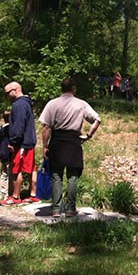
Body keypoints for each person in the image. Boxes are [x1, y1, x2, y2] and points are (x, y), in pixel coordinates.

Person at [39, 78, 101, 218]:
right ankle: (71, 209)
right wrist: (88, 135)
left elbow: (46, 127)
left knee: (56, 176)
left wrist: (44, 146)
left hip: (57, 141)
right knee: (73, 176)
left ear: (61, 88)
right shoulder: (81, 104)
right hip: (74, 141)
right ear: (74, 88)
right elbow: (97, 119)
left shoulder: (52, 104)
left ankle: (55, 209)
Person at [0, 81, 40, 205]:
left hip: (21, 143)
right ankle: (33, 195)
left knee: (16, 169)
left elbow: (19, 126)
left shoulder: (19, 105)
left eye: (8, 93)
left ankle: (16, 197)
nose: (7, 96)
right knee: (32, 168)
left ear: (15, 90)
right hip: (29, 141)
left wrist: (13, 141)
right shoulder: (27, 103)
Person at [0, 110, 12, 201]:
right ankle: (9, 192)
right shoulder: (12, 129)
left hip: (2, 152)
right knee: (11, 173)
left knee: (4, 173)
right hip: (10, 153)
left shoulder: (1, 129)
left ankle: (2, 191)